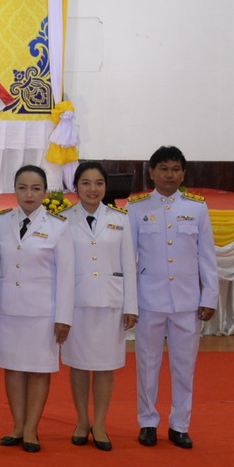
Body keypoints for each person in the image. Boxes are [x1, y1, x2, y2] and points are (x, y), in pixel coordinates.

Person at [128, 145, 219, 449]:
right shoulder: (136, 207)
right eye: (164, 168)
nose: (170, 175)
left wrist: (209, 297)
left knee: (184, 367)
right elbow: (128, 259)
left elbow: (207, 256)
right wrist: (129, 302)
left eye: (176, 169)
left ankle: (180, 424)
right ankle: (147, 422)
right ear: (151, 172)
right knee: (147, 364)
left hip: (186, 301)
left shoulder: (196, 207)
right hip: (148, 300)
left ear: (183, 174)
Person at [0, 164, 75, 452]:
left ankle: (31, 430)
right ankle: (16, 426)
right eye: (23, 187)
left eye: (36, 188)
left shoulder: (59, 227)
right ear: (14, 189)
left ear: (45, 192)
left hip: (42, 312)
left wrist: (63, 317)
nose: (29, 194)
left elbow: (66, 276)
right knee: (13, 368)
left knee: (38, 369)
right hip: (8, 309)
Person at [63, 161, 136, 451]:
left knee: (106, 367)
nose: (93, 189)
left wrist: (131, 305)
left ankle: (101, 424)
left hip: (110, 303)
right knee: (79, 366)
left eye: (98, 183)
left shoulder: (121, 219)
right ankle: (82, 421)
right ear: (76, 187)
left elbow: (129, 264)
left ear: (106, 187)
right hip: (77, 304)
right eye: (86, 183)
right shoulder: (64, 220)